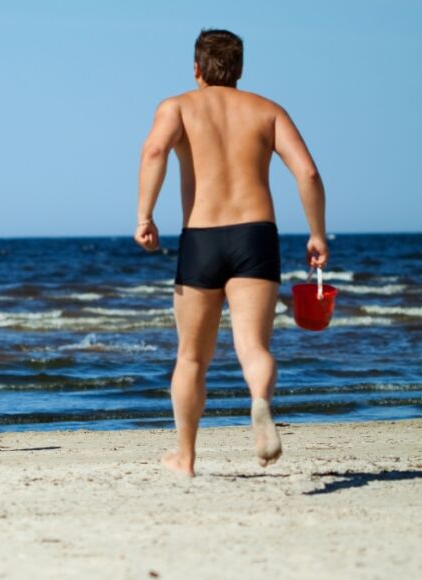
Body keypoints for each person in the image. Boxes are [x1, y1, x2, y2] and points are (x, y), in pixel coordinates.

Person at [134, 29, 328, 476]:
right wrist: (317, 233)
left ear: (197, 68)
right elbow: (309, 174)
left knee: (191, 357)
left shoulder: (177, 106)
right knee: (252, 346)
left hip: (201, 236)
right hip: (255, 236)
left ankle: (185, 457)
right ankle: (259, 400)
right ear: (239, 69)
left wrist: (144, 216)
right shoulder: (267, 111)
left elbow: (154, 151)